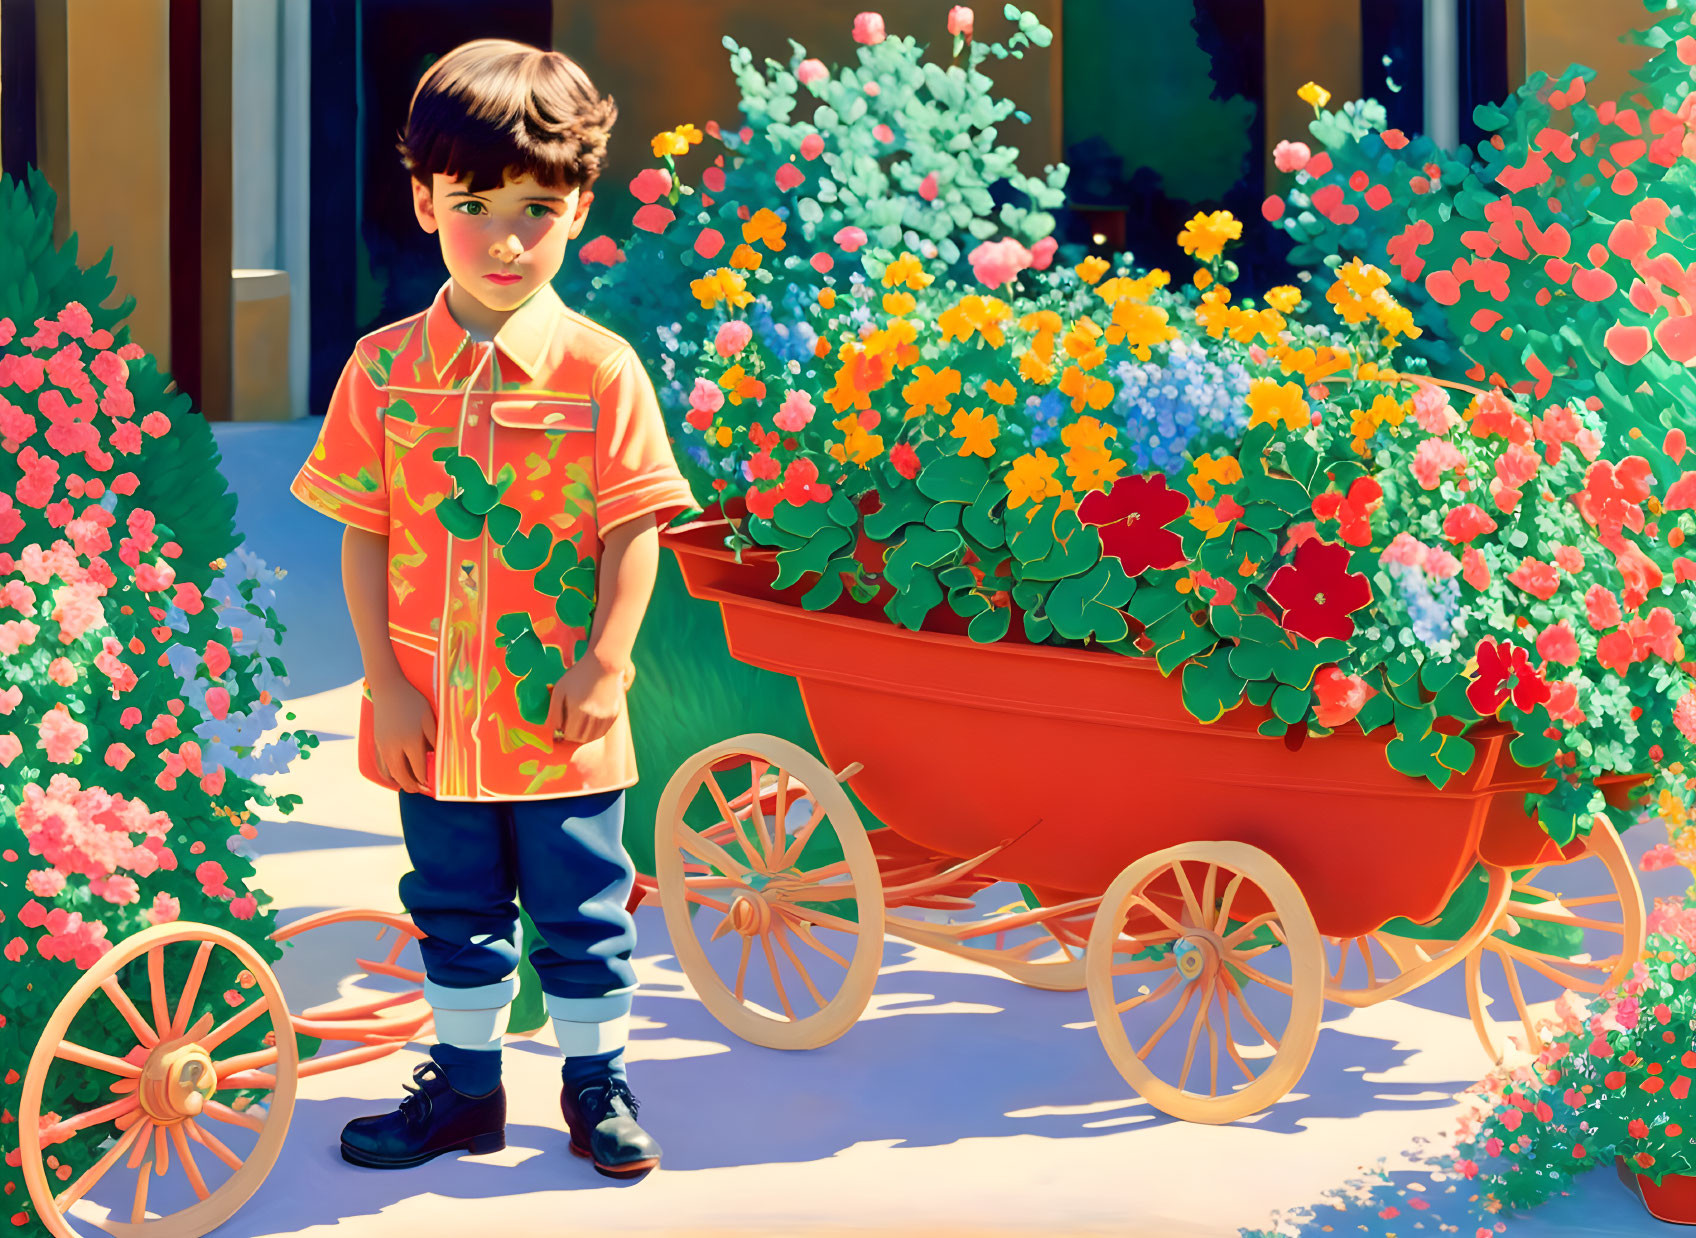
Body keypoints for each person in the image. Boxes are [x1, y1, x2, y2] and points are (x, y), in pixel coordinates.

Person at [290, 37, 696, 1179]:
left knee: (584, 908)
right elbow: (363, 536)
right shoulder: (379, 374)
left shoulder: (601, 370)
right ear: (424, 201)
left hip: (561, 722)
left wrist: (606, 664)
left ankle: (595, 1082)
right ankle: (466, 1090)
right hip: (431, 718)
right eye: (473, 203)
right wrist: (385, 684)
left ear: (578, 207)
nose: (507, 238)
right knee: (452, 904)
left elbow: (634, 527)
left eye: (537, 206)